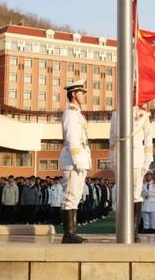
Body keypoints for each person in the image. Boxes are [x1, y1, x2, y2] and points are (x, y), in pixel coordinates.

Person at [109, 103, 154, 241]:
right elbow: (111, 138)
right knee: (121, 195)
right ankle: (121, 228)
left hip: (136, 157)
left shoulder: (143, 114)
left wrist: (147, 160)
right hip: (120, 156)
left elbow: (148, 139)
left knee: (135, 194)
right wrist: (111, 159)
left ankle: (134, 230)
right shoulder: (116, 114)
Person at [59, 79, 91, 243]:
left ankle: (72, 232)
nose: (84, 95)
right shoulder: (70, 113)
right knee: (70, 196)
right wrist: (78, 161)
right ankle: (68, 233)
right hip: (73, 160)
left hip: (79, 160)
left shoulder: (77, 114)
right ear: (73, 94)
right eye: (81, 92)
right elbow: (72, 139)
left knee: (76, 196)